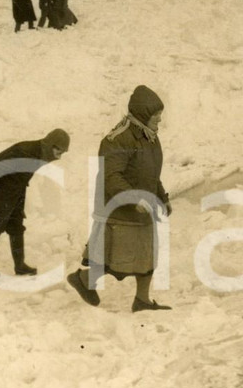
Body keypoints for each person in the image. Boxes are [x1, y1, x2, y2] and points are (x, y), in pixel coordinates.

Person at [68, 86, 172, 312]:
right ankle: (84, 280)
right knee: (115, 258)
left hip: (143, 208)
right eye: (156, 117)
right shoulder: (117, 139)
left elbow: (152, 173)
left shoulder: (150, 138)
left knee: (146, 256)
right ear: (144, 115)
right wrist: (134, 199)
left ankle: (142, 300)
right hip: (119, 210)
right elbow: (111, 176)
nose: (159, 121)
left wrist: (162, 197)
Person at [0, 129, 70, 277]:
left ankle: (20, 266)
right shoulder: (28, 151)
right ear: (52, 145)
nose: (60, 155)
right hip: (1, 188)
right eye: (60, 151)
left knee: (17, 227)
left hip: (15, 191)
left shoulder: (40, 152)